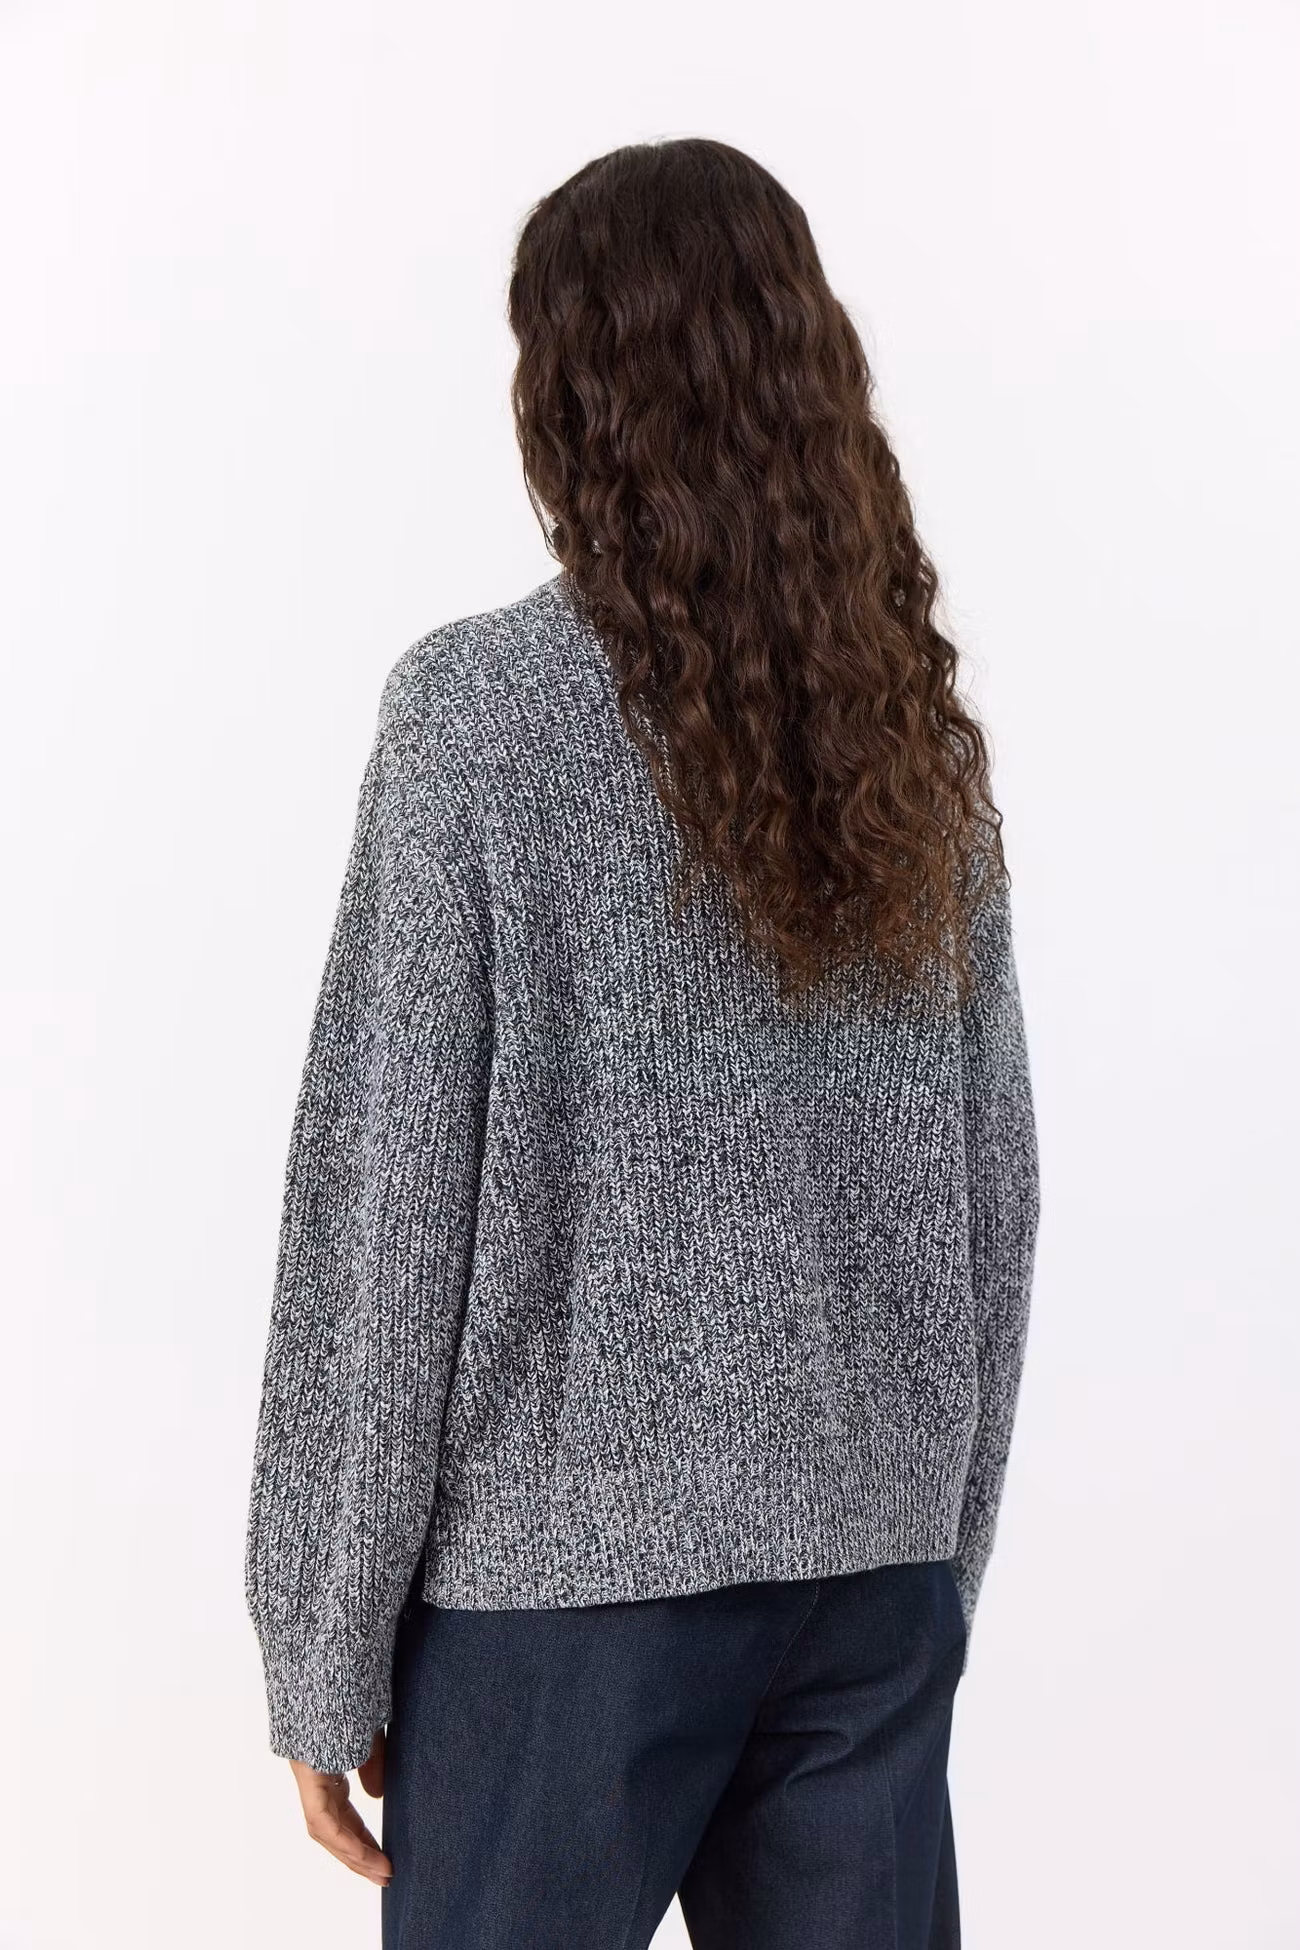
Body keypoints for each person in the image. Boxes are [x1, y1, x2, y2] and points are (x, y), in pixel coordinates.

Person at [244, 136, 1041, 1950]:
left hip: (559, 1603)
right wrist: (930, 1552)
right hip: (866, 1583)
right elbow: (997, 1200)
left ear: (568, 397)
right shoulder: (907, 737)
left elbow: (386, 1211)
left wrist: (320, 1635)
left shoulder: (475, 717)